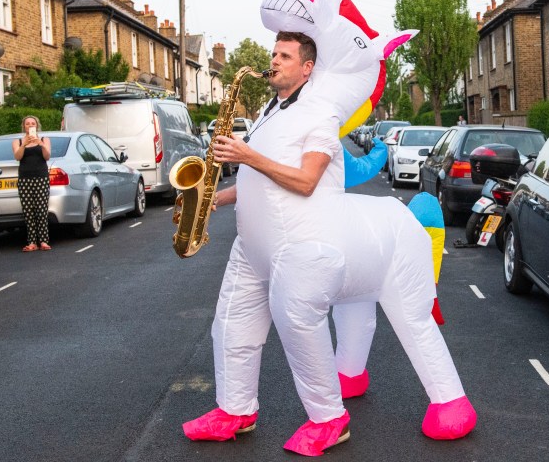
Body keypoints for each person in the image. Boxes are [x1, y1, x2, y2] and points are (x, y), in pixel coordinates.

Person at [183, 26, 474, 455]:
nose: (274, 60)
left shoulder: (319, 114)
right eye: (274, 53)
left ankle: (348, 416)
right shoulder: (269, 112)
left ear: (307, 67)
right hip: (255, 246)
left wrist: (246, 155)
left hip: (308, 245)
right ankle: (234, 409)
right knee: (230, 324)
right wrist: (213, 201)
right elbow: (256, 182)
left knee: (309, 323)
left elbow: (305, 181)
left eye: (284, 55)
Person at [12, 115, 51, 252]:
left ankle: (44, 241)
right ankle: (32, 242)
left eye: (32, 123)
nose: (30, 125)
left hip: (41, 178)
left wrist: (40, 144)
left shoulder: (44, 139)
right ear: (24, 126)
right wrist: (24, 144)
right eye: (27, 124)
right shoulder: (17, 141)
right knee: (28, 211)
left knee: (41, 210)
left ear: (37, 125)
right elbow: (18, 157)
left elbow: (47, 156)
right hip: (25, 179)